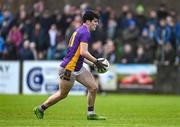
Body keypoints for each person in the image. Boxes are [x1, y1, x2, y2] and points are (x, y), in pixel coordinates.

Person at [33, 10, 107, 120]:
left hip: (77, 67)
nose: (97, 24)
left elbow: (77, 54)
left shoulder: (79, 31)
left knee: (93, 87)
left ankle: (90, 114)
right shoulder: (85, 33)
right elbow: (83, 52)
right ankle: (40, 108)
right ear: (88, 21)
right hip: (68, 69)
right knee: (62, 94)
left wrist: (92, 64)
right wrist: (96, 61)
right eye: (95, 21)